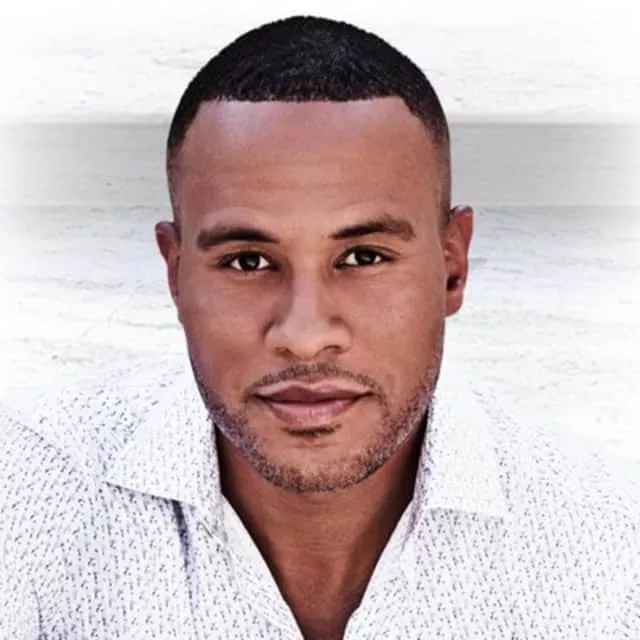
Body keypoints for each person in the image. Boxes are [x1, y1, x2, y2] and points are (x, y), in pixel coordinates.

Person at [1, 15, 638, 640]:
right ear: (176, 276)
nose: (305, 335)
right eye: (247, 262)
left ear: (452, 268)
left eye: (363, 257)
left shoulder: (611, 550)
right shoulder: (22, 494)